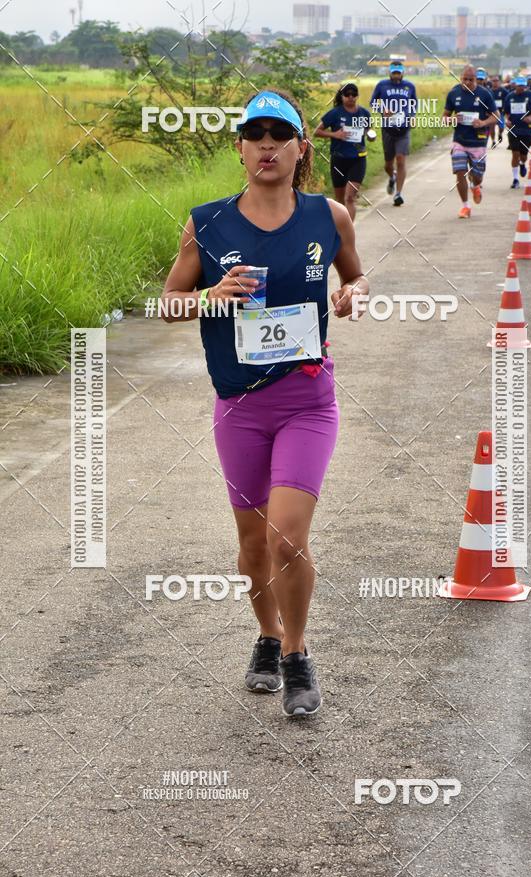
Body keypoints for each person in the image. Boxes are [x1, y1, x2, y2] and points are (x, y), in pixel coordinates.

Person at [160, 88, 369, 717]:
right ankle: (266, 635)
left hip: (307, 401)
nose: (267, 145)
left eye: (280, 135)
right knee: (252, 545)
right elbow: (168, 304)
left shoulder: (329, 217)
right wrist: (211, 294)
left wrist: (355, 293)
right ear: (240, 148)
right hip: (239, 407)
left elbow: (355, 273)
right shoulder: (207, 221)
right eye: (256, 135)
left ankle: (297, 655)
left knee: (287, 538)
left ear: (302, 146)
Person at [443, 65, 499, 218]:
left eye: (471, 80)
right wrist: (451, 119)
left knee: (477, 175)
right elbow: (444, 118)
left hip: (478, 142)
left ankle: (476, 185)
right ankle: (465, 207)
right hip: (459, 141)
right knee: (460, 172)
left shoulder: (485, 94)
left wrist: (483, 123)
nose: (467, 82)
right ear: (461, 78)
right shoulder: (454, 93)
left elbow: (496, 116)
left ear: (476, 79)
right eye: (465, 79)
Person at [314, 83, 372, 221]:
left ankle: (349, 230)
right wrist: (335, 135)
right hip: (339, 159)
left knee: (350, 197)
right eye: (347, 94)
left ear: (357, 96)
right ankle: (341, 230)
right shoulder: (335, 113)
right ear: (342, 96)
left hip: (358, 159)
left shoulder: (364, 113)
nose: (351, 97)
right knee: (340, 200)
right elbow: (317, 132)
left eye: (353, 94)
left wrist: (370, 135)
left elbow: (369, 131)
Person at [370, 62, 417, 206]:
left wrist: (411, 116)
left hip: (403, 128)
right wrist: (382, 110)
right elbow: (373, 102)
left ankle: (398, 194)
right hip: (388, 129)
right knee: (388, 164)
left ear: (403, 73)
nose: (396, 75)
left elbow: (414, 104)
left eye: (399, 72)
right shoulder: (382, 85)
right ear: (389, 73)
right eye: (394, 72)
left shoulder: (409, 86)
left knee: (401, 159)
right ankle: (392, 176)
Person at [504, 75, 531, 188]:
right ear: (515, 85)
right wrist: (506, 120)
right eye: (519, 86)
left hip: (527, 130)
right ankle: (515, 179)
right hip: (514, 129)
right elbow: (506, 113)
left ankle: (522, 164)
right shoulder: (509, 97)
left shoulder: (530, 95)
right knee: (515, 154)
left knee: (523, 155)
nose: (521, 88)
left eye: (523, 86)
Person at [489, 74, 509, 144]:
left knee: (501, 127)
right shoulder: (489, 91)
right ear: (491, 82)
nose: (495, 82)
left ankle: (500, 134)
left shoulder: (503, 90)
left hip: (501, 113)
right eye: (493, 81)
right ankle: (493, 141)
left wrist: (506, 107)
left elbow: (509, 98)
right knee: (492, 128)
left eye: (496, 81)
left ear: (499, 81)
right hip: (492, 113)